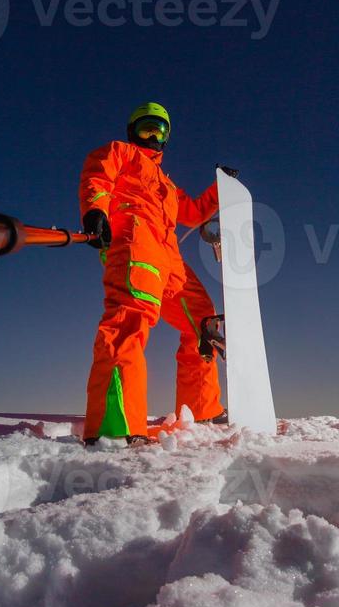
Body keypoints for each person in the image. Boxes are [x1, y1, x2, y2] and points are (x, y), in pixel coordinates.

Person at [79, 102, 236, 445]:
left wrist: (219, 190)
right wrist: (95, 211)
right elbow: (97, 178)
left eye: (160, 130)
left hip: (170, 261)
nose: (153, 135)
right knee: (128, 321)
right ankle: (115, 426)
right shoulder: (119, 152)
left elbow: (193, 213)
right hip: (136, 245)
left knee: (202, 321)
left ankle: (202, 408)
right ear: (132, 130)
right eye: (147, 127)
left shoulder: (166, 183)